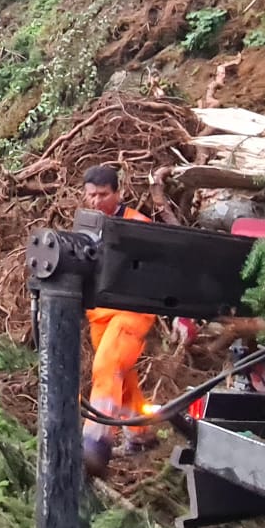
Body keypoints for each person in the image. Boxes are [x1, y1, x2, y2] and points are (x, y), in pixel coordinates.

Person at [79, 163, 158, 474]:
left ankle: (95, 443)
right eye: (91, 195)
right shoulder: (87, 224)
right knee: (121, 378)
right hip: (99, 313)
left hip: (132, 311)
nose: (96, 201)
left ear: (118, 193)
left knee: (107, 367)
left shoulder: (138, 225)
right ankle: (142, 435)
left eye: (103, 195)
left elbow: (157, 269)